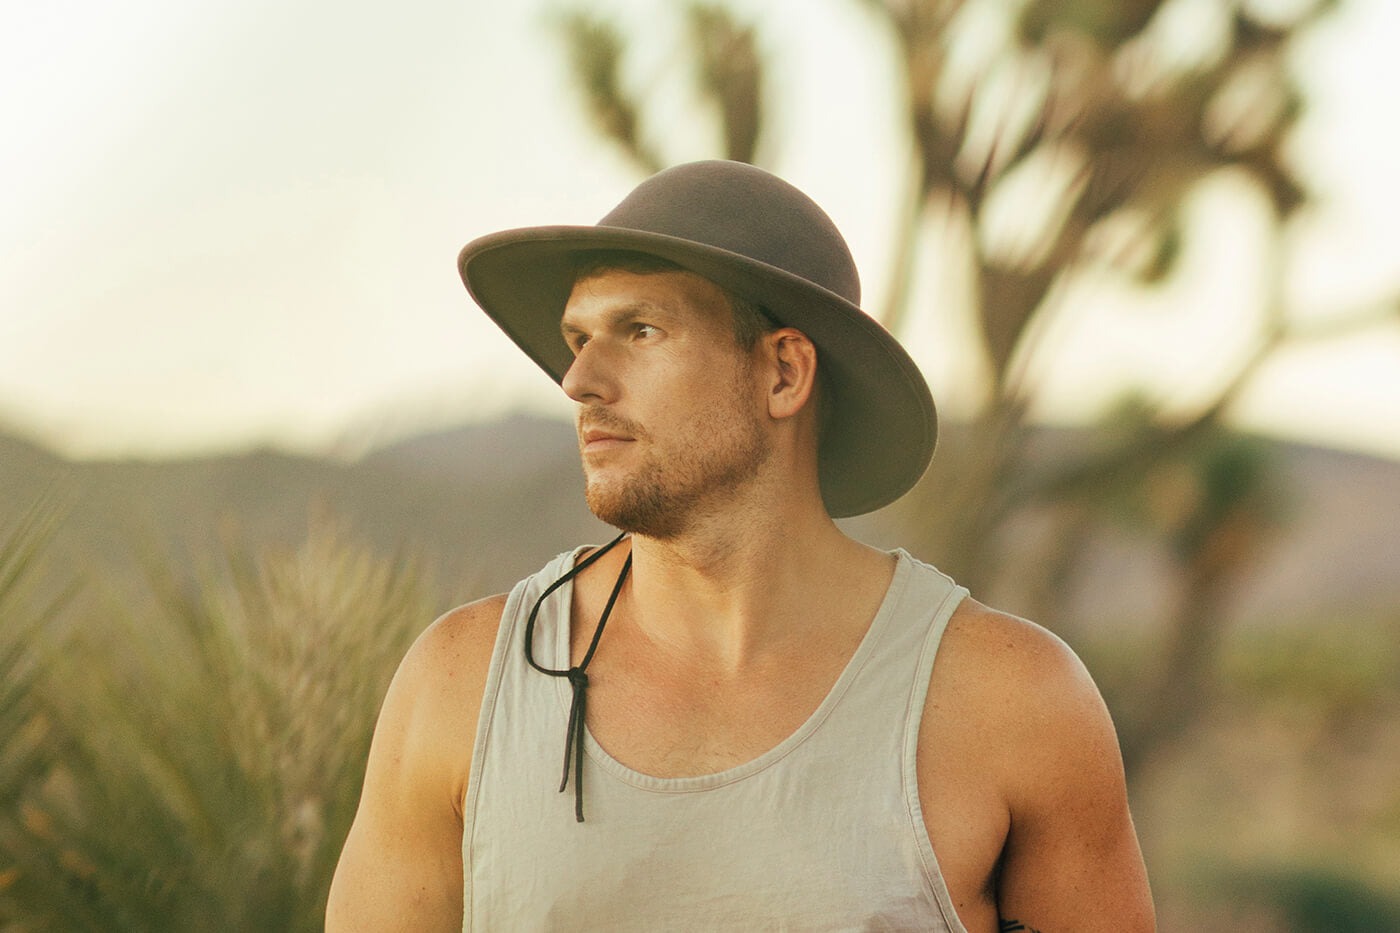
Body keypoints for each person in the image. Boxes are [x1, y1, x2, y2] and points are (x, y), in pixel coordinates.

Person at [327, 160, 1155, 932]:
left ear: (784, 374)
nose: (579, 380)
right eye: (579, 339)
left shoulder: (1011, 702)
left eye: (641, 330)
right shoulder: (459, 688)